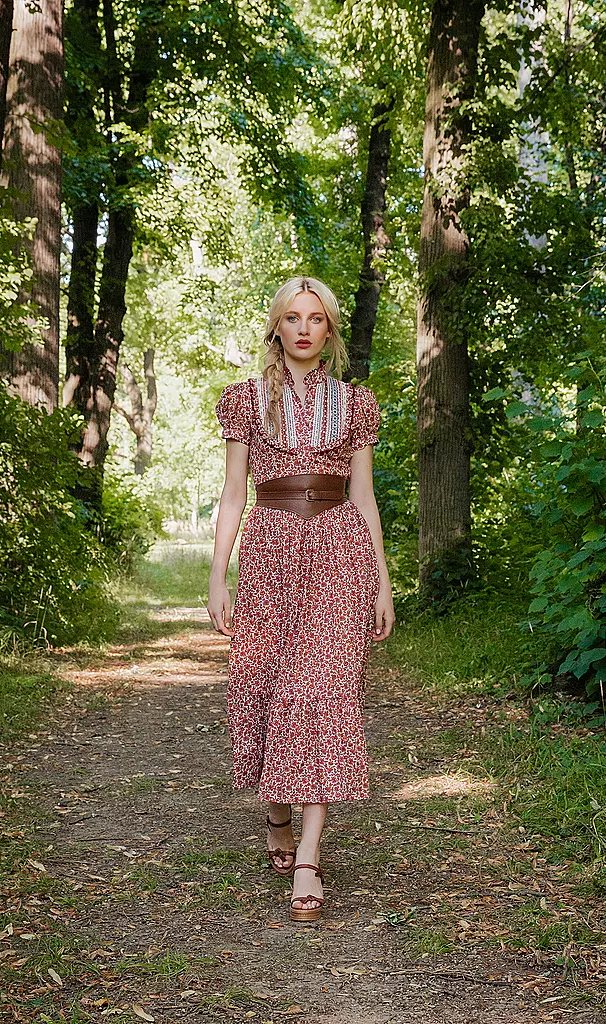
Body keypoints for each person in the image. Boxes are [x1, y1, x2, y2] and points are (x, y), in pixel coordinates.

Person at [208, 275, 395, 922]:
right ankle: (278, 812)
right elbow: (234, 494)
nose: (306, 328)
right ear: (277, 327)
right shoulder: (246, 401)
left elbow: (365, 499)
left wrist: (383, 580)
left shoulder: (356, 404)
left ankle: (310, 861)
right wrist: (216, 574)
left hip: (340, 549)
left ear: (331, 331)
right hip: (270, 549)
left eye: (317, 318)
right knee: (264, 684)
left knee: (324, 691)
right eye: (294, 317)